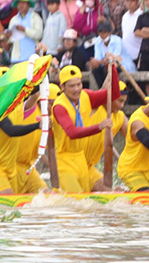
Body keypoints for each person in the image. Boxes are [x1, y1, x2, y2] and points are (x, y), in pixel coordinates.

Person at [49, 65, 120, 193]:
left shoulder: (85, 96)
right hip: (64, 162)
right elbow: (72, 132)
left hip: (81, 160)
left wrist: (112, 67)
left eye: (79, 84)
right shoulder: (59, 107)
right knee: (78, 203)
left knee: (89, 201)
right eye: (71, 86)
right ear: (62, 87)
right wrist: (99, 126)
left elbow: (113, 94)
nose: (76, 89)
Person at [0, 88, 45, 196]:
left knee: (47, 196)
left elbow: (34, 95)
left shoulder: (17, 107)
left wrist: (40, 80)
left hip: (9, 165)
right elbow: (10, 130)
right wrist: (37, 126)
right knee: (8, 197)